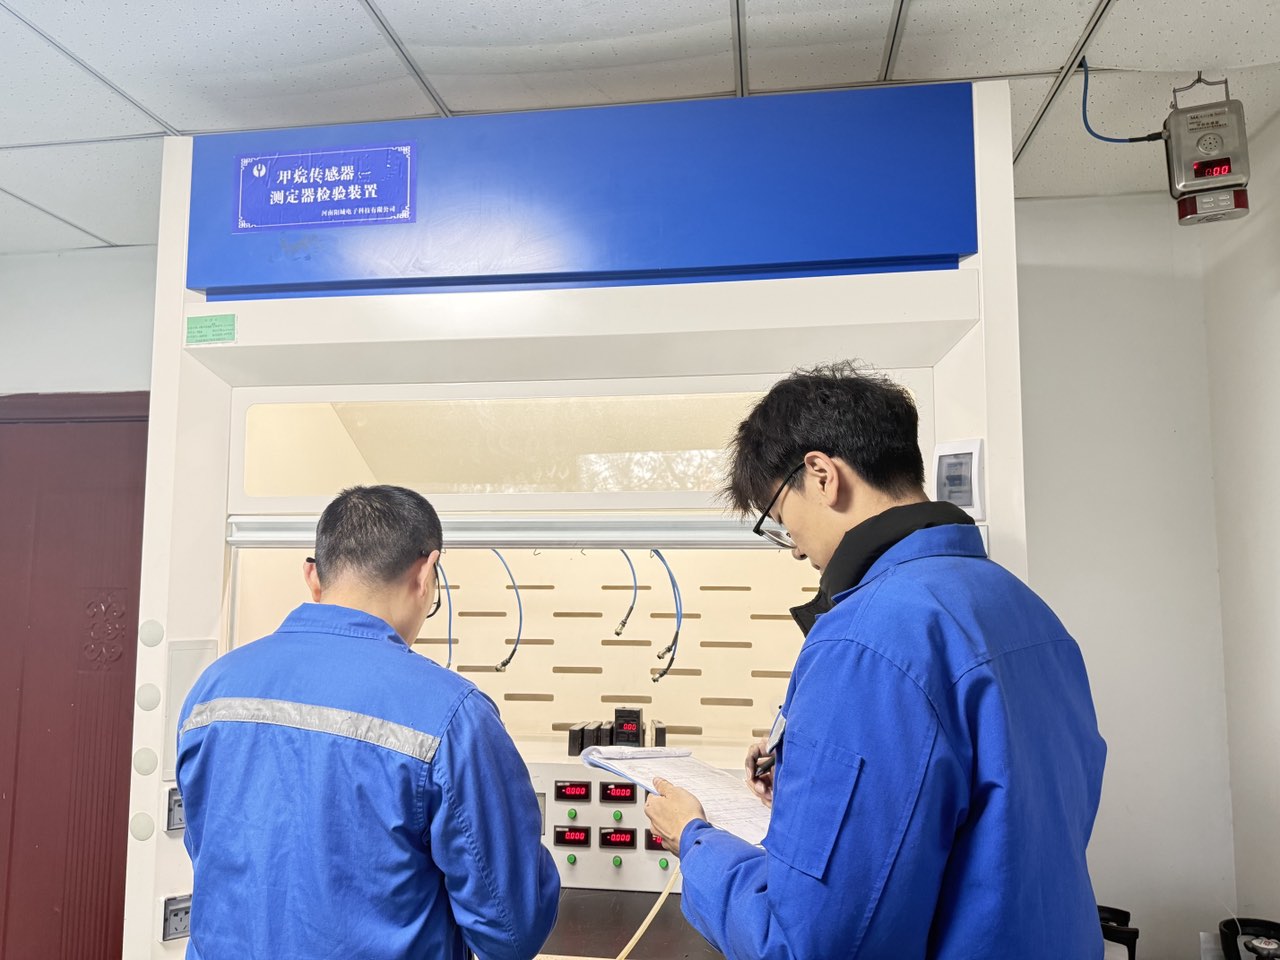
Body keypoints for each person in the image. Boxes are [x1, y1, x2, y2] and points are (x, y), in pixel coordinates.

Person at [644, 362, 1107, 959]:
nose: (795, 550)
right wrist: (807, 784)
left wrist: (695, 841)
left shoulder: (865, 640)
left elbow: (806, 945)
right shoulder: (1025, 609)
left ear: (821, 475)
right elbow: (992, 820)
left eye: (780, 521)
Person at [177, 485, 559, 960]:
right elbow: (511, 931)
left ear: (313, 576)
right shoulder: (453, 715)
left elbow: (211, 854)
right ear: (427, 573)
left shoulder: (212, 691)